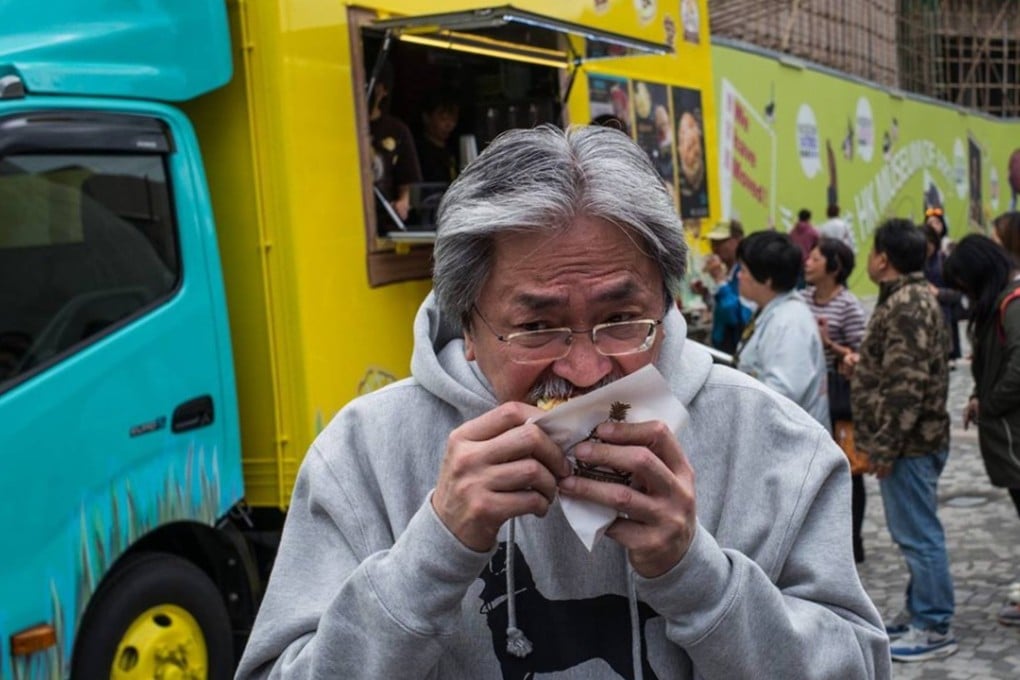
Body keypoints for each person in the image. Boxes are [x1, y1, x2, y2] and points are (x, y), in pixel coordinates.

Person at [235, 125, 889, 679]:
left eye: (622, 317)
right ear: (466, 324)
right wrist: (429, 555)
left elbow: (858, 665)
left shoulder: (777, 444)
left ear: (666, 303)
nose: (584, 369)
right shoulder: (365, 455)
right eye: (536, 327)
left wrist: (697, 576)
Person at [843, 218, 955, 662]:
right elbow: (895, 369)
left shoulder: (907, 303)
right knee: (914, 532)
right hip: (911, 440)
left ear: (882, 259)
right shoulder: (905, 298)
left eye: (872, 251)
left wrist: (885, 448)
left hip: (910, 445)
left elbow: (906, 386)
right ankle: (920, 611)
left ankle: (934, 625)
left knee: (919, 536)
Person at [943, 234, 1020, 627]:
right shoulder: (1003, 304)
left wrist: (989, 404)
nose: (963, 293)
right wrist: (978, 395)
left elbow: (1017, 371)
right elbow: (994, 366)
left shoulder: (1013, 304)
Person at [802, 238, 868, 562]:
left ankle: (852, 542)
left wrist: (831, 345)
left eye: (815, 258)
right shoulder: (802, 300)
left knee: (849, 471)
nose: (808, 262)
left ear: (833, 266)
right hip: (812, 395)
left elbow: (863, 354)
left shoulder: (849, 305)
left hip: (841, 400)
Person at [733, 231, 829, 429]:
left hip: (794, 446)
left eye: (743, 270)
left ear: (767, 279)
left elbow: (783, 394)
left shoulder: (789, 322)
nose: (738, 276)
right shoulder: (770, 310)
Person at [369, 62, 421, 228]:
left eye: (371, 85)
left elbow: (409, 182)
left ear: (383, 90)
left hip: (385, 225)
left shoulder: (397, 130)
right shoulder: (342, 128)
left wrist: (403, 203)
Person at [704, 219, 753, 355]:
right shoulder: (729, 272)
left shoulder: (745, 274)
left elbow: (733, 315)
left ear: (737, 240)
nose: (714, 248)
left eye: (720, 242)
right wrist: (705, 294)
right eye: (712, 242)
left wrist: (720, 281)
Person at [922, 224, 963, 365]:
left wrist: (938, 293)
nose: (927, 249)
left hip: (945, 319)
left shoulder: (944, 261)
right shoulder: (913, 265)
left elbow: (959, 293)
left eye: (929, 243)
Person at [416, 89, 461, 183]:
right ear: (426, 117)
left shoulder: (454, 149)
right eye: (443, 119)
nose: (450, 125)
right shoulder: (418, 152)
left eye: (453, 119)